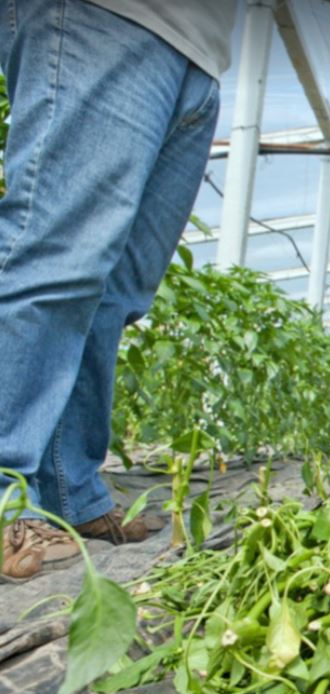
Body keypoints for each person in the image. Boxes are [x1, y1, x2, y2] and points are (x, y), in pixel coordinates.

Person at [1, 0, 236, 582]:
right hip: (108, 17)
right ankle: (5, 499)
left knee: (114, 293)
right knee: (55, 256)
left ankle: (68, 495)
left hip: (199, 50)